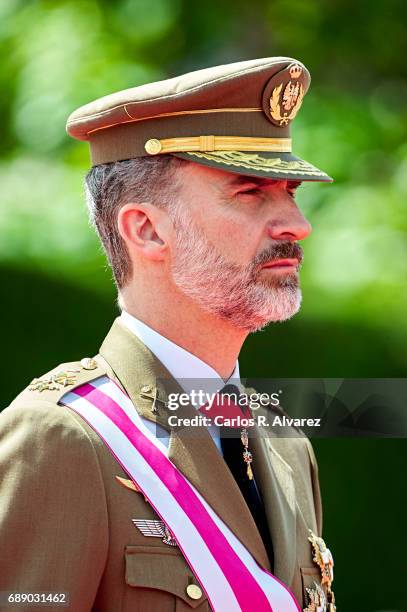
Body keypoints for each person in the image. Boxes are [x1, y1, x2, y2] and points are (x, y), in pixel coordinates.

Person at [0, 57, 336, 611]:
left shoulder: (285, 444)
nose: (297, 225)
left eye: (291, 193)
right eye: (250, 192)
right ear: (147, 229)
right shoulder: (61, 437)